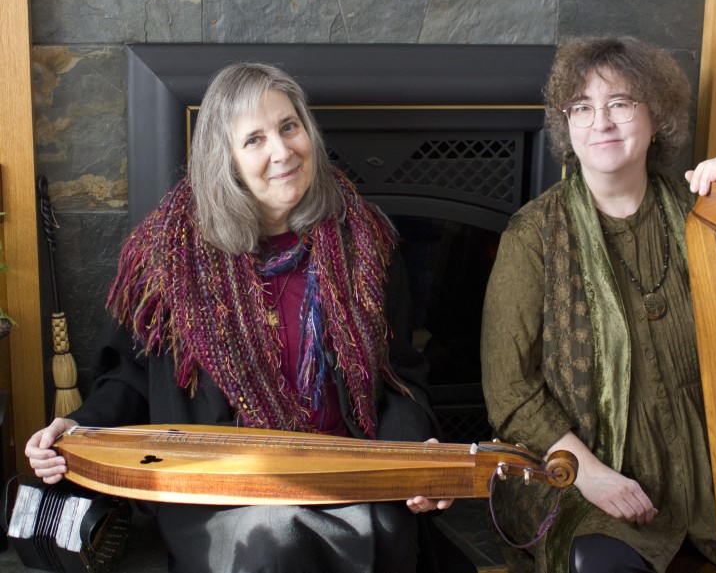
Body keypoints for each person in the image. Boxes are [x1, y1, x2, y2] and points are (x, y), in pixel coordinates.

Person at [26, 63, 468, 573]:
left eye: (289, 127)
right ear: (227, 160)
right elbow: (132, 375)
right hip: (222, 487)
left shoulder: (363, 243)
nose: (282, 151)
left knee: (385, 526)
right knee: (275, 538)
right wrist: (80, 427)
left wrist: (414, 457)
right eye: (254, 139)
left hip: (346, 472)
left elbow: (398, 376)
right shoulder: (169, 256)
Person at [480, 35, 716, 573]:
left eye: (620, 103)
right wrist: (593, 475)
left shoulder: (704, 215)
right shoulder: (534, 235)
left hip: (714, 469)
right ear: (567, 125)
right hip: (577, 473)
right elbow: (510, 391)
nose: (600, 122)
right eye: (582, 107)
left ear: (657, 119)